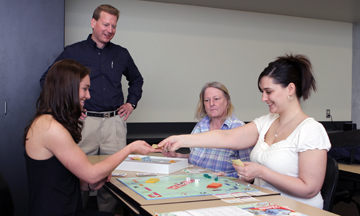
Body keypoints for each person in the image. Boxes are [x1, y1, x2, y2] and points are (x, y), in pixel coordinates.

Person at [159, 54, 331, 209]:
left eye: (268, 92)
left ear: (290, 89)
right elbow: (227, 136)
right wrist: (182, 140)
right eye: (262, 92)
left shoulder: (311, 130)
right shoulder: (266, 121)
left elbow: (309, 189)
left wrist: (261, 172)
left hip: (296, 209)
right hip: (263, 204)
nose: (263, 98)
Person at [39, 4, 144, 212]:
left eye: (114, 26)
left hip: (115, 123)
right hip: (83, 123)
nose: (110, 30)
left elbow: (137, 80)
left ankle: (108, 213)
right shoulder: (73, 51)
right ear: (93, 23)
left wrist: (131, 103)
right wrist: (70, 108)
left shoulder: (122, 54)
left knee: (114, 175)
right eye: (106, 24)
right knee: (79, 174)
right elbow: (48, 80)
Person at [24, 59, 160, 216]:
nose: (88, 96)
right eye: (85, 89)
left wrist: (88, 186)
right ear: (67, 88)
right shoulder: (51, 128)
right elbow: (91, 174)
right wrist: (130, 148)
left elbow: (57, 179)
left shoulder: (47, 122)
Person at [162, 82, 252, 178]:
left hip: (223, 188)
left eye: (216, 99)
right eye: (207, 100)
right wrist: (177, 156)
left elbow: (249, 172)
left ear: (227, 101)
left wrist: (228, 176)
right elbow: (199, 159)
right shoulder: (200, 126)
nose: (211, 104)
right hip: (195, 183)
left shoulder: (239, 129)